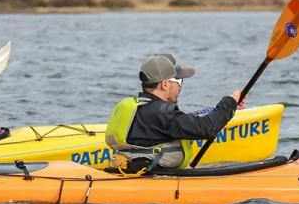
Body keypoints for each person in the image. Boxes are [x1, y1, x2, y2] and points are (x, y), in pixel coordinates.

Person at [104, 53, 243, 170]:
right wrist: (231, 100)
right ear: (165, 84)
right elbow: (206, 128)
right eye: (179, 81)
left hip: (134, 170)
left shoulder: (138, 108)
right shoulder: (162, 113)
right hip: (150, 180)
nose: (180, 87)